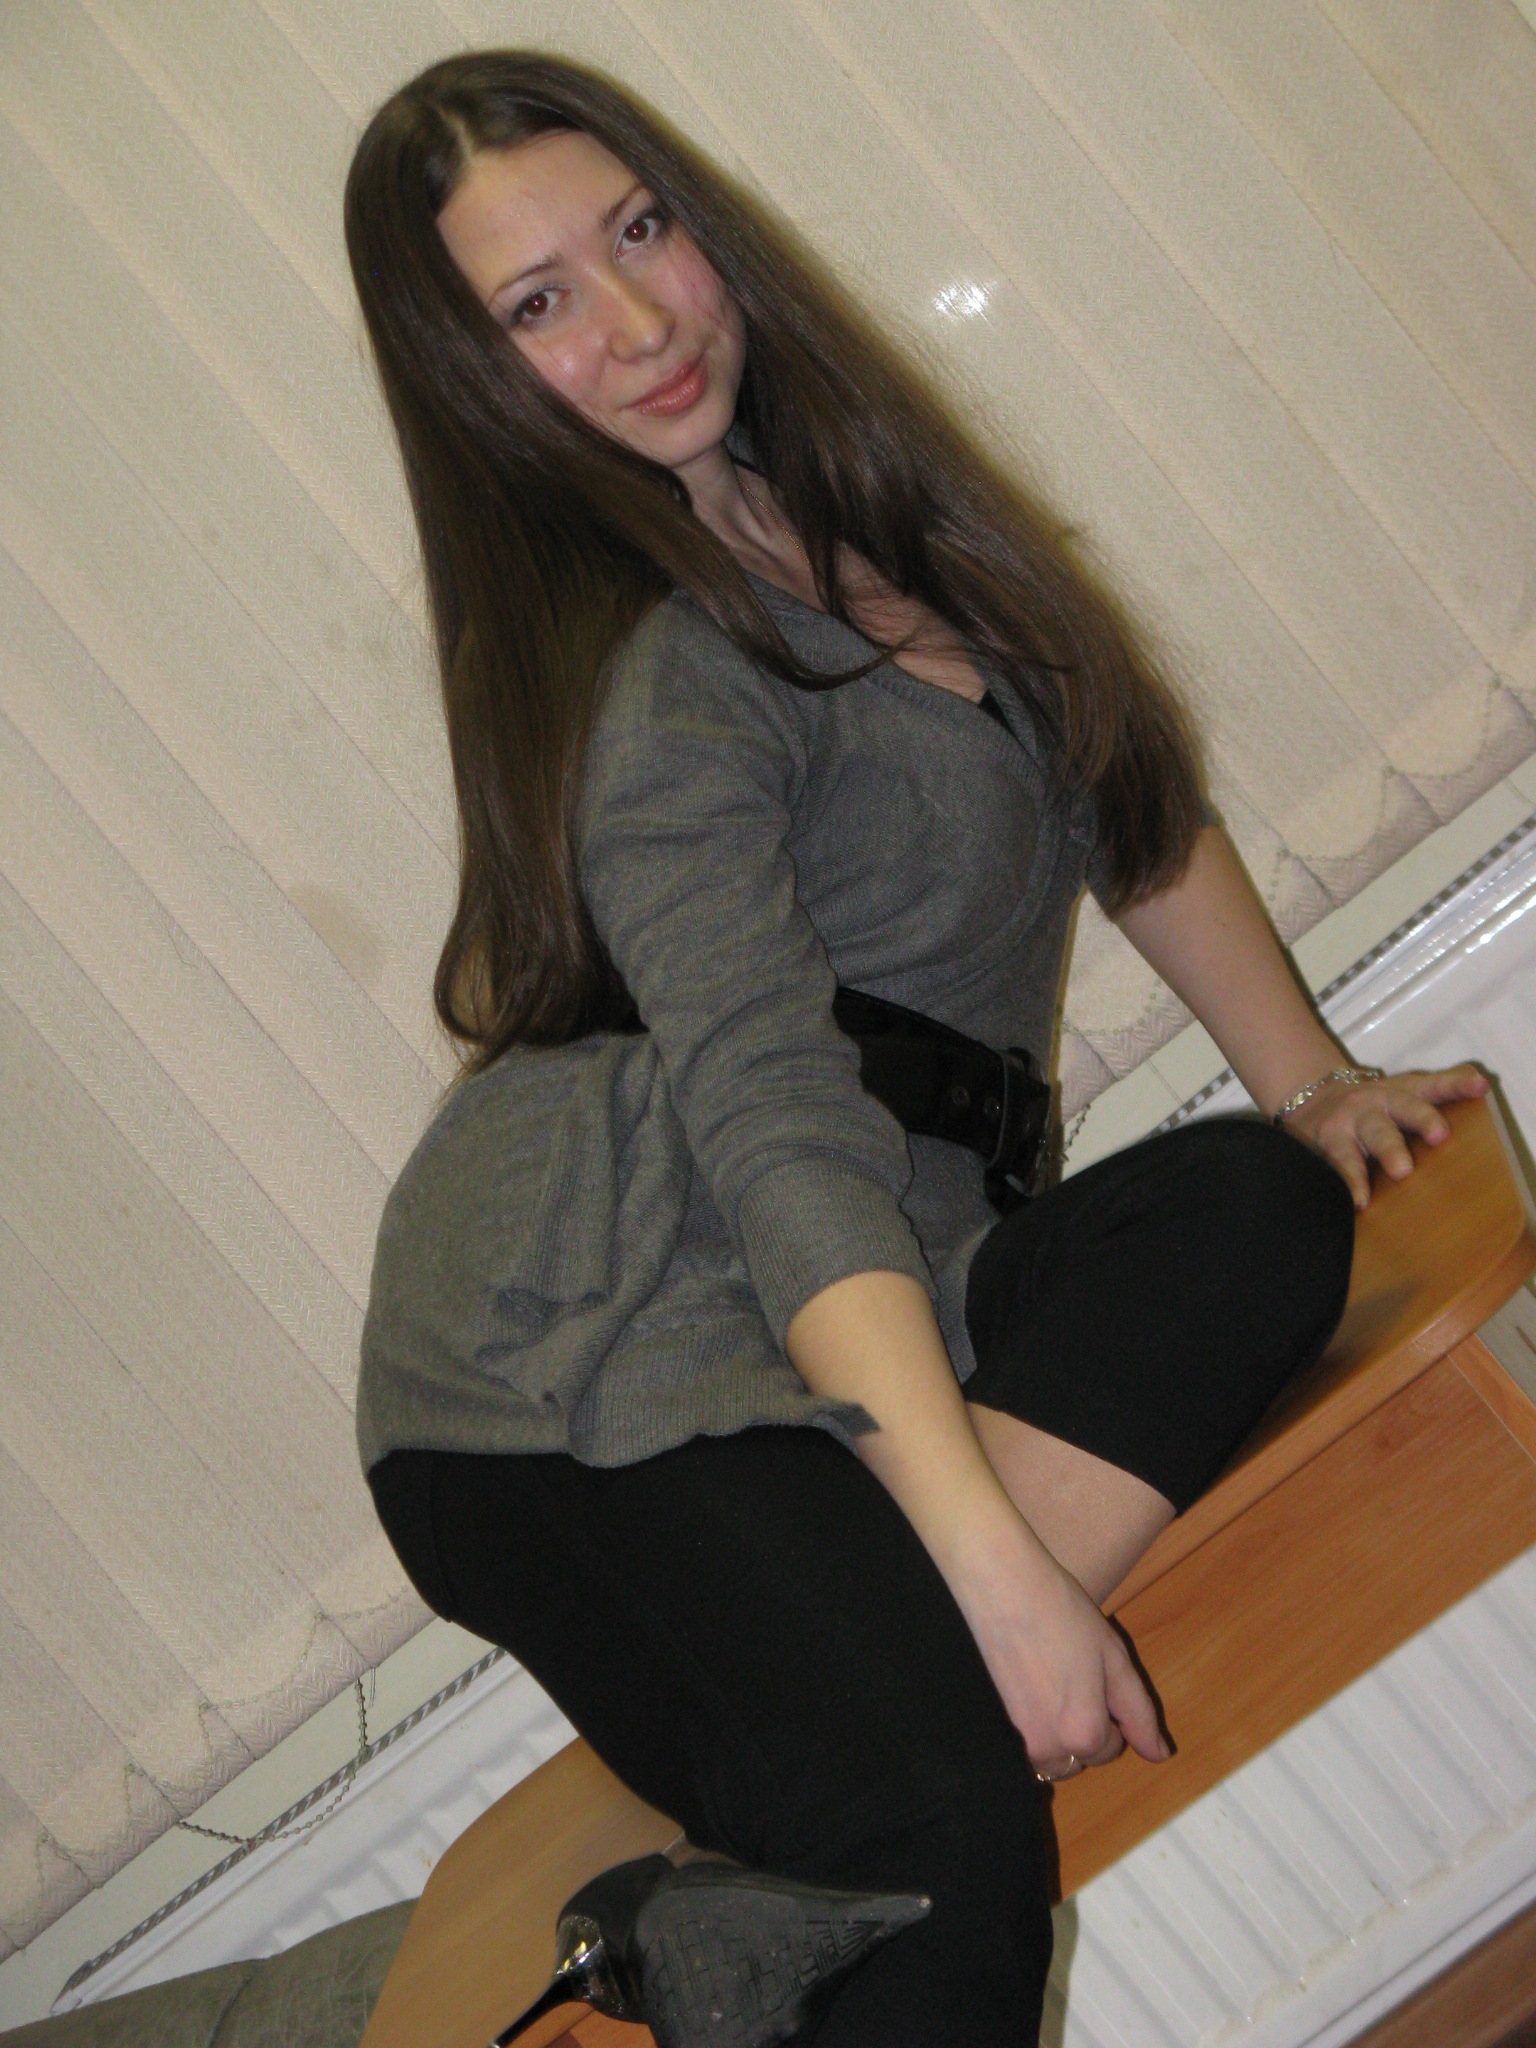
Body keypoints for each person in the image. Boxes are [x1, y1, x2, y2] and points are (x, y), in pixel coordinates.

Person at [343, 50, 1489, 2046]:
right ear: (472, 383)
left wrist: (1311, 1082)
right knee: (948, 1842)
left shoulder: (871, 526)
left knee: (1252, 1203)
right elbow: (780, 1130)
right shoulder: (659, 682)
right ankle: (865, 1771)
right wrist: (999, 1572)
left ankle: (793, 1820)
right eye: (537, 305)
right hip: (578, 1353)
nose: (637, 322)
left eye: (639, 230)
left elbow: (1123, 801)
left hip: (869, 1276)